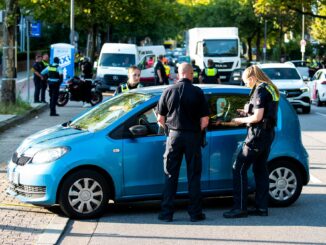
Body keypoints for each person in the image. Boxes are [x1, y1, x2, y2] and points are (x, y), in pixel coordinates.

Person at [223, 65, 279, 219]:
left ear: (252, 77)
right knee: (260, 170)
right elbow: (264, 111)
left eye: (246, 81)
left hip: (257, 135)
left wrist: (239, 120)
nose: (245, 84)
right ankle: (262, 208)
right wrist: (246, 111)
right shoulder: (270, 87)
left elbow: (257, 117)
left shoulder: (260, 89)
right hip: (267, 135)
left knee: (238, 168)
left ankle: (239, 208)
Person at [156, 62, 210, 222]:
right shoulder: (198, 92)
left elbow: (160, 118)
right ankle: (195, 213)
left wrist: (169, 131)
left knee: (170, 174)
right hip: (192, 136)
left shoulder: (168, 90)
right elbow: (205, 120)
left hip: (174, 136)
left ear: (179, 74)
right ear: (191, 74)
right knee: (193, 175)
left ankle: (166, 214)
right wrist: (196, 133)